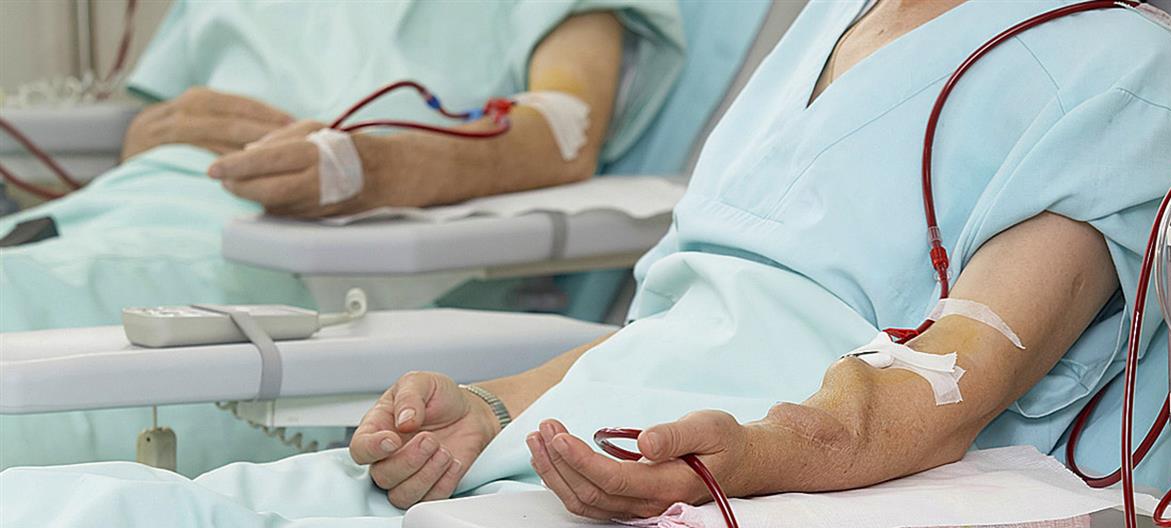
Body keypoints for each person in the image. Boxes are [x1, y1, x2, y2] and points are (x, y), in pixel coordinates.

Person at [0, 1, 1171, 528]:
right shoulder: (831, 27)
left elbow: (925, 399)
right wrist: (488, 408)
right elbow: (675, 324)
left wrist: (741, 459)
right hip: (559, 486)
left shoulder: (1118, 78)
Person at [0, 0, 684, 475]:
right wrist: (150, 135)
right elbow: (160, 116)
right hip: (110, 212)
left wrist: (366, 167)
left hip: (285, 248)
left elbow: (560, 133)